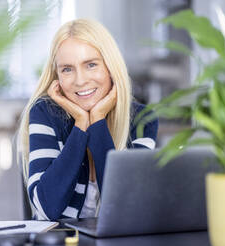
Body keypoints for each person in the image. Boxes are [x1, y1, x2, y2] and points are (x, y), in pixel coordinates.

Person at [18, 19, 158, 221]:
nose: (80, 80)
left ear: (111, 67)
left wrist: (98, 120)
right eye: (67, 69)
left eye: (91, 65)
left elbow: (127, 208)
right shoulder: (45, 113)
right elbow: (47, 209)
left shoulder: (142, 120)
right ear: (57, 75)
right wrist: (81, 125)